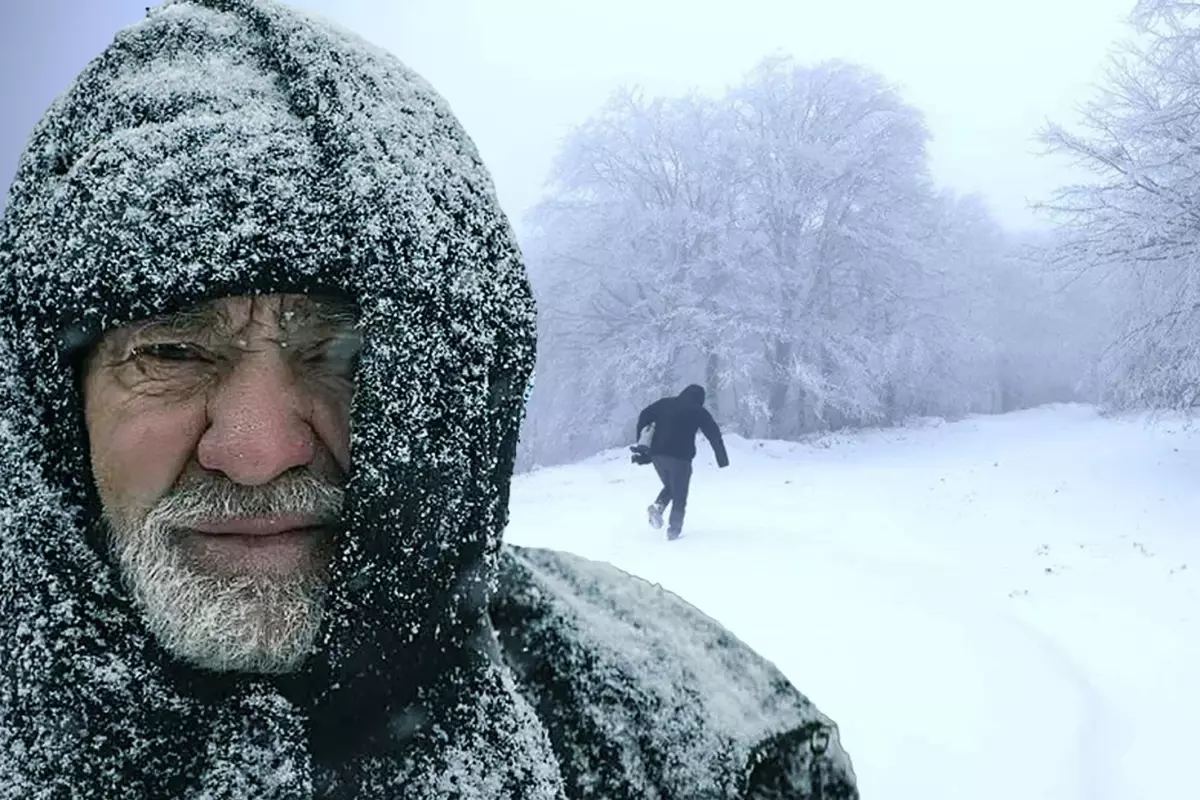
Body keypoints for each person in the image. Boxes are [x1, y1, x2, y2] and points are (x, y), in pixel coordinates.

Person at [0, 1, 859, 797]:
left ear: (457, 390)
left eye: (342, 353)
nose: (257, 448)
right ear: (51, 403)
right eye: (172, 351)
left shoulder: (712, 751)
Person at [636, 384, 730, 539]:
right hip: (680, 457)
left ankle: (658, 507)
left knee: (671, 487)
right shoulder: (698, 411)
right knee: (680, 493)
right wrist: (722, 459)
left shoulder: (665, 403)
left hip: (658, 455)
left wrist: (641, 442)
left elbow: (644, 415)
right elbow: (714, 433)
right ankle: (674, 529)